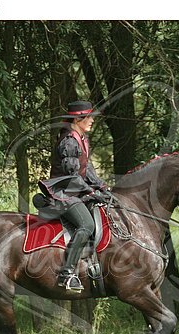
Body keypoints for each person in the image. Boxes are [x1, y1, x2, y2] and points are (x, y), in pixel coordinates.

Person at [35, 101, 109, 292]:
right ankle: (67, 273)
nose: (92, 120)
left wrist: (102, 188)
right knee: (87, 225)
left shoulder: (81, 138)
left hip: (75, 191)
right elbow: (72, 176)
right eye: (89, 117)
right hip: (63, 193)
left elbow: (87, 170)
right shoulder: (69, 141)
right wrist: (91, 192)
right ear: (78, 119)